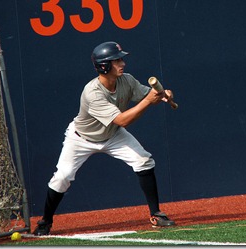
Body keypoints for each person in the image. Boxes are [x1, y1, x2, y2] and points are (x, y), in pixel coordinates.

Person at [33, 41, 176, 236]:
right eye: (116, 60)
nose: (122, 63)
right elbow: (123, 120)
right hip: (81, 138)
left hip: (112, 134)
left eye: (121, 59)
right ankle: (45, 221)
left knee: (144, 160)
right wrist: (149, 101)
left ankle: (156, 214)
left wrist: (162, 95)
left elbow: (147, 95)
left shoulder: (127, 80)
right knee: (62, 177)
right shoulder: (92, 92)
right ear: (103, 66)